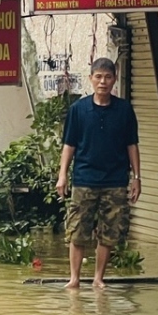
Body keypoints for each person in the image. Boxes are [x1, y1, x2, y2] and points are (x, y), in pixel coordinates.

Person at [56, 57, 140, 290]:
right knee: (76, 230)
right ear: (91, 79)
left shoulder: (124, 110)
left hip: (115, 179)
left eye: (108, 77)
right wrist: (62, 175)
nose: (103, 82)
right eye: (98, 77)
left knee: (110, 231)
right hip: (84, 179)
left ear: (114, 80)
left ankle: (98, 278)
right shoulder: (78, 109)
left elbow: (132, 145)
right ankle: (74, 278)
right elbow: (69, 144)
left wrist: (137, 178)